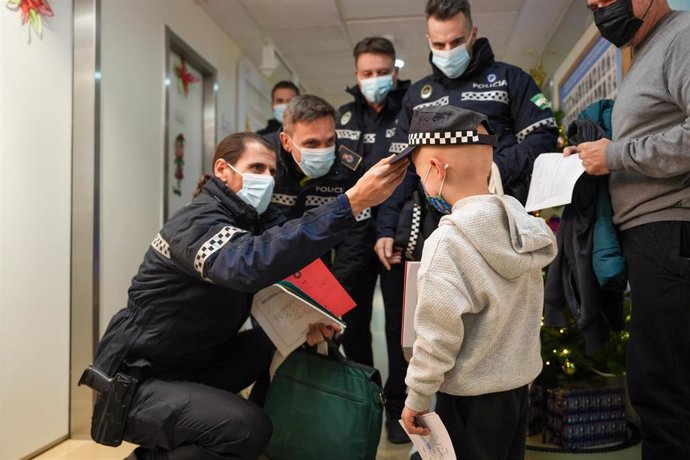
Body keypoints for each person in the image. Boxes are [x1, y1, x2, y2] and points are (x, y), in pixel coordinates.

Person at [86, 131, 407, 460]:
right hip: (136, 382)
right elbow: (249, 263)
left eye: (270, 171)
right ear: (223, 170)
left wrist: (314, 318)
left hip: (194, 365)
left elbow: (288, 249)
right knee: (246, 429)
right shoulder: (197, 221)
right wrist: (351, 202)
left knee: (284, 342)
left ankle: (222, 438)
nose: (266, 179)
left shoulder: (251, 221)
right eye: (255, 168)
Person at [566, 1, 690, 457]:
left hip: (671, 230)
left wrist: (615, 156)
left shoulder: (681, 37)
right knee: (659, 387)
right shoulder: (646, 50)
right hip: (653, 237)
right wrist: (591, 156)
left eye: (607, 0)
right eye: (592, 5)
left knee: (664, 391)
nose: (600, 10)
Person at [397, 105, 557, 459]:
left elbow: (438, 337)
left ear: (436, 170)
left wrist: (417, 397)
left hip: (469, 397)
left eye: (421, 174)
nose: (424, 184)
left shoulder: (447, 243)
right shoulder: (522, 228)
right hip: (517, 390)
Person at [374, 0, 558, 272]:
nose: (448, 51)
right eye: (439, 45)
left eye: (456, 42)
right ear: (428, 40)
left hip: (502, 214)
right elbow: (400, 166)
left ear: (473, 34)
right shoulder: (417, 96)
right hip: (435, 225)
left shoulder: (510, 79)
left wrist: (494, 170)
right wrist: (386, 227)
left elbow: (542, 136)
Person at [334, 36, 413, 443]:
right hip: (352, 237)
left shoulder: (411, 111)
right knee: (353, 322)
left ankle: (398, 409)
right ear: (356, 75)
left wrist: (391, 227)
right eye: (367, 73)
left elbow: (414, 177)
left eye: (383, 72)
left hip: (397, 232)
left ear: (394, 72)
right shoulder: (344, 118)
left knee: (400, 327)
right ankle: (368, 398)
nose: (375, 79)